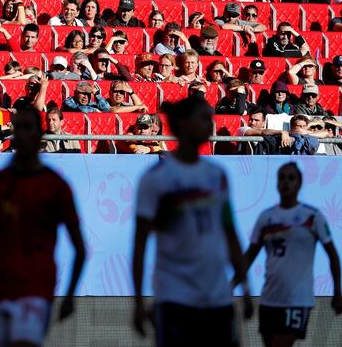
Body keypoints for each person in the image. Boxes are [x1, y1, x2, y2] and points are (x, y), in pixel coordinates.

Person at [0, 107, 86, 347]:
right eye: (17, 127)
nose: (21, 134)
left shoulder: (56, 186)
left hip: (34, 288)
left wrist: (70, 295)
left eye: (27, 127)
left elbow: (80, 248)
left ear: (39, 135)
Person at [132, 96, 252, 346]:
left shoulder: (217, 176)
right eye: (204, 119)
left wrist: (247, 288)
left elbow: (229, 232)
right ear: (183, 125)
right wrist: (138, 301)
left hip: (217, 296)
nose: (211, 125)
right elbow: (140, 243)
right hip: (175, 297)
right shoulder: (156, 179)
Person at [235, 162, 342, 346]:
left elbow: (332, 255)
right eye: (282, 178)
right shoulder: (266, 217)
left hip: (297, 301)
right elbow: (249, 256)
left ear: (299, 184)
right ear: (276, 184)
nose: (286, 182)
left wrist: (337, 292)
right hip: (269, 300)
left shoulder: (312, 217)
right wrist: (233, 286)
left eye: (291, 178)